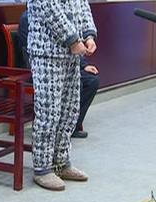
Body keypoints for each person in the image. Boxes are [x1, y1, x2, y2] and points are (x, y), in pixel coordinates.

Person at [25, 0, 98, 191]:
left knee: (69, 110)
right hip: (47, 53)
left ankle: (61, 162)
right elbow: (49, 9)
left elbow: (81, 4)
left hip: (70, 53)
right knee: (49, 111)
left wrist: (88, 34)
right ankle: (43, 168)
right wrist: (71, 39)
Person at [18, 10, 99, 139]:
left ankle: (72, 125)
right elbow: (32, 51)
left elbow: (70, 44)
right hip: (41, 66)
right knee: (75, 81)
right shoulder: (29, 19)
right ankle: (59, 127)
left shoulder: (58, 17)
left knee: (92, 80)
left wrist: (84, 65)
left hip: (63, 61)